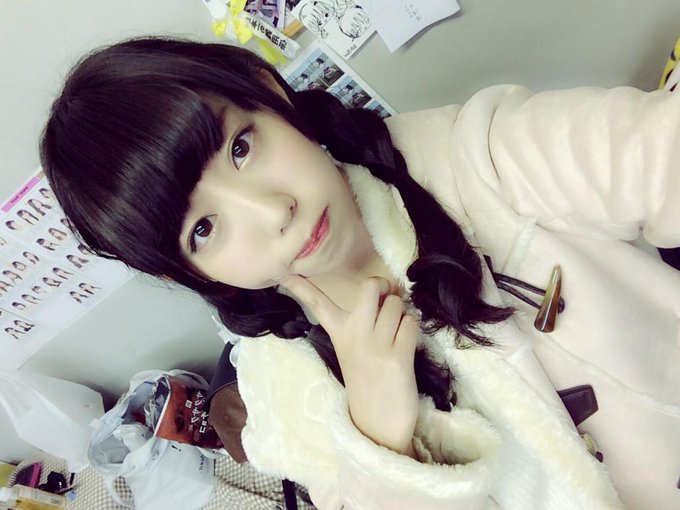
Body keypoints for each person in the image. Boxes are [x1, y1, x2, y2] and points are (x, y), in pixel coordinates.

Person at [39, 37, 680, 510]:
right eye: (204, 229)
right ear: (193, 273)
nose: (273, 212)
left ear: (270, 93)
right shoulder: (284, 395)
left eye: (241, 147)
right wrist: (379, 434)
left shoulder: (476, 157)